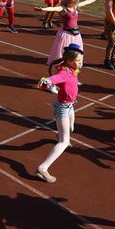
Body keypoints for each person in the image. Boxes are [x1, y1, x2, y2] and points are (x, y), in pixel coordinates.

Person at [35, 45, 83, 183]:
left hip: (69, 106)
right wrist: (47, 81)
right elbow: (54, 79)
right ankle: (43, 168)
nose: (80, 63)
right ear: (69, 62)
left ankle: (61, 134)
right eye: (78, 60)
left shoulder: (71, 69)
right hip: (63, 107)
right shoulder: (65, 73)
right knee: (64, 141)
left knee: (71, 127)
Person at [36, 0, 101, 75]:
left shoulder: (75, 7)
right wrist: (43, 9)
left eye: (76, 0)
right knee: (63, 57)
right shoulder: (63, 9)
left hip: (76, 36)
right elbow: (54, 8)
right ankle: (58, 75)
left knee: (76, 57)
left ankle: (73, 76)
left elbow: (86, 2)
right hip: (66, 36)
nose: (74, 1)